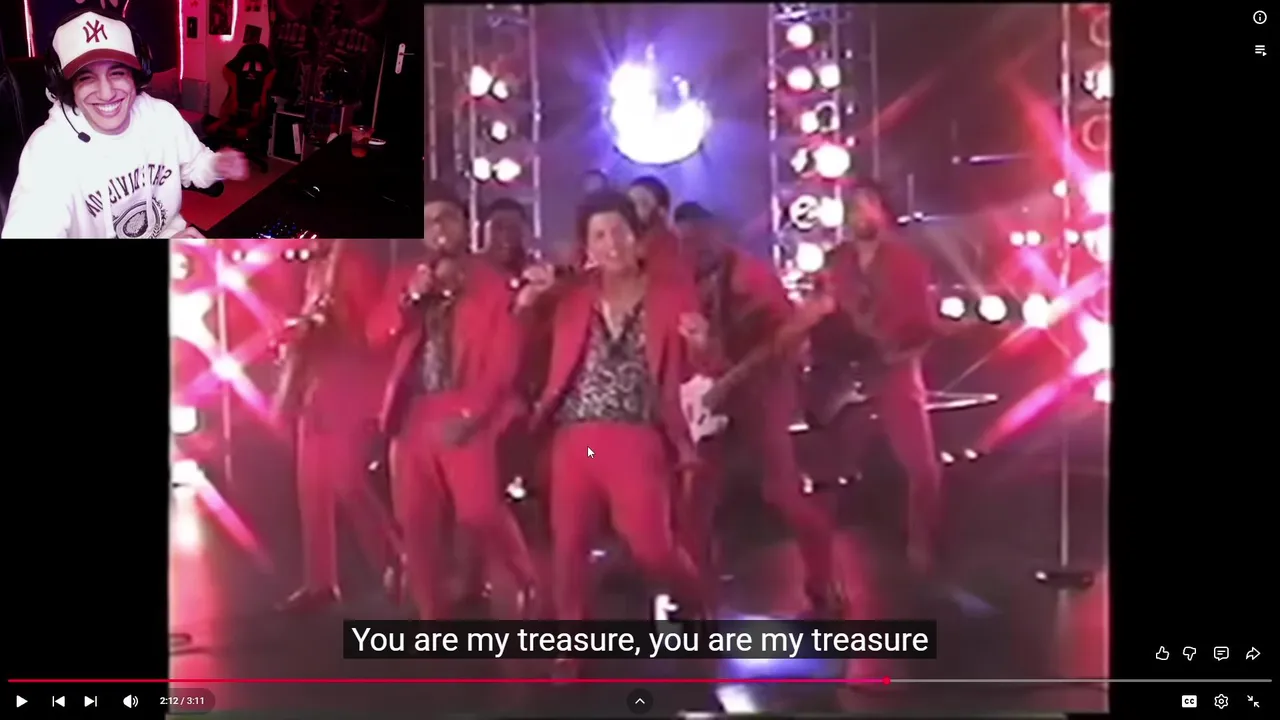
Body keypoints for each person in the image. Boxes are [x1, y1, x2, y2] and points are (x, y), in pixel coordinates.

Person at [517, 191, 709, 671]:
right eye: (599, 235)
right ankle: (570, 642)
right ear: (587, 247)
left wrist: (701, 344)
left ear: (637, 237)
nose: (611, 244)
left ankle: (694, 602)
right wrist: (526, 304)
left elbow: (701, 365)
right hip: (576, 439)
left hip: (636, 436)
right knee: (570, 544)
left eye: (619, 232)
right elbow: (522, 349)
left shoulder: (670, 292)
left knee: (652, 546)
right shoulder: (571, 296)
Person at [368, 182, 539, 620]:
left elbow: (506, 360)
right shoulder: (406, 277)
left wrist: (472, 413)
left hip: (467, 407)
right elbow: (377, 337)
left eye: (447, 218)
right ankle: (433, 614)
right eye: (428, 222)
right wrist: (410, 299)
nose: (438, 229)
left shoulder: (493, 282)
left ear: (466, 223)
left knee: (479, 511)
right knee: (416, 522)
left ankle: (527, 584)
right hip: (411, 415)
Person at [671, 203, 847, 616]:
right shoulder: (684, 281)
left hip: (763, 395)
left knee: (782, 492)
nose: (693, 248)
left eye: (700, 238)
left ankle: (823, 584)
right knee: (695, 501)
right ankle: (696, 598)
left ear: (719, 234)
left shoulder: (751, 278)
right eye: (685, 242)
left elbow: (779, 345)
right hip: (716, 400)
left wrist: (727, 382)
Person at [1, 8, 248, 238]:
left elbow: (195, 165)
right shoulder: (48, 151)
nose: (107, 93)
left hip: (178, 243)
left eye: (117, 73)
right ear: (66, 87)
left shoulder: (162, 116)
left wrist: (217, 164)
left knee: (261, 266)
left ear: (136, 75)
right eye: (86, 78)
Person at [808, 181, 942, 574]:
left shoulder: (907, 261)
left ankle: (922, 541)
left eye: (867, 205)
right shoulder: (836, 260)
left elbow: (923, 325)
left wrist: (896, 353)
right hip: (843, 372)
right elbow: (820, 312)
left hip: (893, 367)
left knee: (922, 467)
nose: (859, 213)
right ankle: (821, 554)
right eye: (853, 206)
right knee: (827, 470)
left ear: (884, 211)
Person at [273, 240, 402, 613]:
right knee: (311, 486)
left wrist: (315, 328)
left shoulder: (353, 263)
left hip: (351, 386)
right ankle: (320, 582)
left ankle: (395, 561)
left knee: (347, 481)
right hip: (319, 386)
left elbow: (368, 331)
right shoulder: (317, 268)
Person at [480, 197, 531, 278]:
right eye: (498, 226)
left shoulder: (537, 272)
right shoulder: (467, 270)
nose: (505, 235)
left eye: (513, 227)